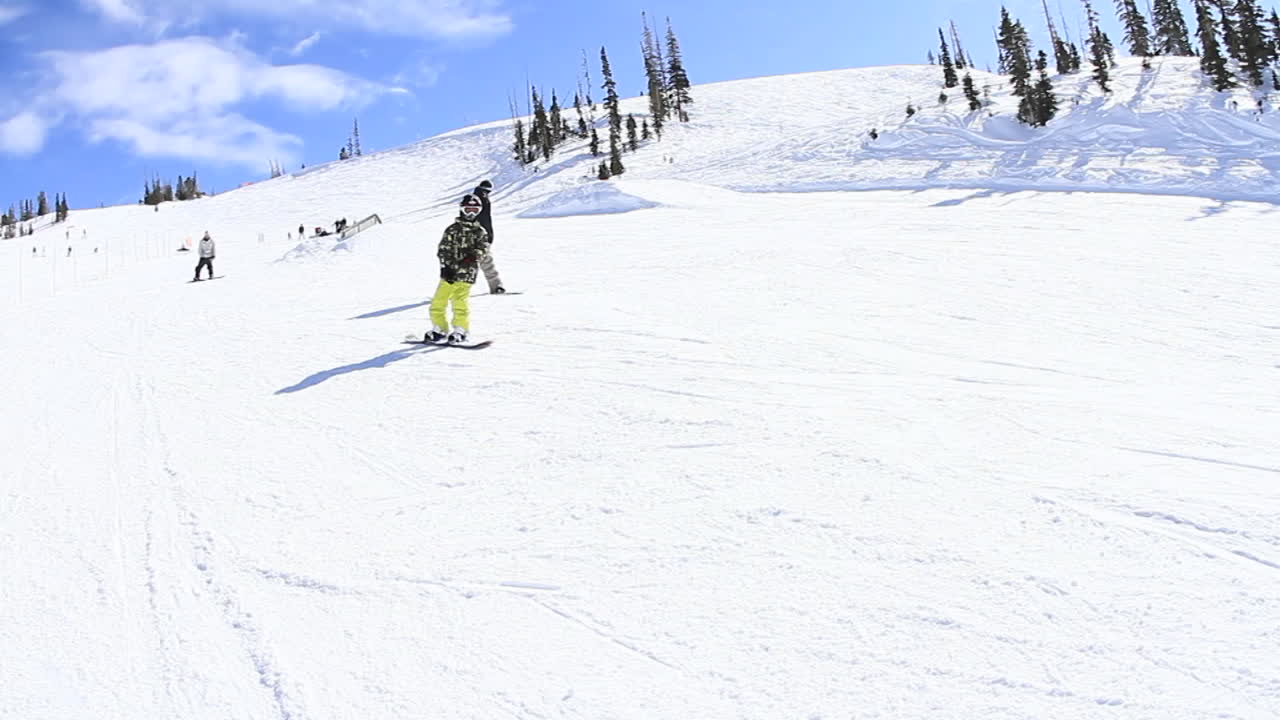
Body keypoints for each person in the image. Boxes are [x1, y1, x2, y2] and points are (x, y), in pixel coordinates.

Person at [425, 194, 490, 343]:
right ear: (462, 209)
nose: (471, 213)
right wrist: (445, 266)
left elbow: (484, 248)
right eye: (468, 209)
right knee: (438, 301)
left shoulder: (480, 231)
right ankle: (439, 328)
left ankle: (461, 330)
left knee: (459, 302)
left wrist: (474, 255)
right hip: (449, 273)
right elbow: (443, 249)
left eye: (475, 210)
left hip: (467, 273)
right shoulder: (452, 229)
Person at [471, 179, 505, 294]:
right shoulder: (482, 199)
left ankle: (452, 289)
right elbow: (485, 220)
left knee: (467, 264)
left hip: (476, 235)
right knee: (486, 261)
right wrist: (489, 235)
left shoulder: (473, 198)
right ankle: (496, 286)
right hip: (480, 236)